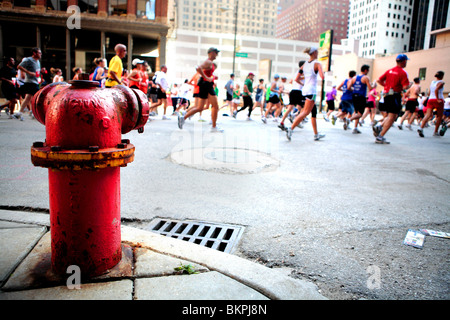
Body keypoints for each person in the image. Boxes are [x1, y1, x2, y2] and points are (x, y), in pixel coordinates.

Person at [178, 47, 222, 132]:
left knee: (200, 107)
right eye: (216, 53)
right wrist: (206, 77)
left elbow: (204, 71)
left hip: (204, 85)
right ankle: (213, 127)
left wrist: (210, 77)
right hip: (206, 85)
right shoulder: (208, 62)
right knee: (215, 106)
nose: (217, 55)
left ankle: (183, 117)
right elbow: (198, 68)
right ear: (211, 53)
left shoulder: (210, 63)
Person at [286, 47, 325, 141]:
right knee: (305, 112)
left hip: (305, 90)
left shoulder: (304, 65)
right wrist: (321, 69)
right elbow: (322, 76)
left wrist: (304, 84)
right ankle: (291, 129)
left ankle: (316, 134)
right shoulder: (317, 64)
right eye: (317, 52)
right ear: (314, 53)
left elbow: (296, 78)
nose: (318, 53)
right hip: (311, 91)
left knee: (311, 112)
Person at [373, 54, 410, 144]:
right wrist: (408, 86)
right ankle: (380, 136)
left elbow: (378, 80)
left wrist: (386, 86)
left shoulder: (389, 71)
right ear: (403, 61)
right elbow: (405, 86)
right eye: (406, 61)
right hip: (395, 95)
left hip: (386, 95)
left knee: (391, 115)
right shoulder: (403, 73)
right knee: (392, 116)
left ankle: (379, 125)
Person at [17, 47, 42, 121]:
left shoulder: (38, 61)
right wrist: (28, 72)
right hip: (30, 82)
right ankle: (35, 113)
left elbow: (37, 72)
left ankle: (20, 113)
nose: (41, 54)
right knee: (38, 97)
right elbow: (19, 66)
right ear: (34, 53)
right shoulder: (28, 59)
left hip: (35, 81)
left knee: (28, 98)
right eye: (39, 53)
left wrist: (39, 77)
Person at [348, 64, 374, 134]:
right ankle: (349, 119)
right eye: (368, 70)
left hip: (354, 96)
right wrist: (374, 85)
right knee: (360, 114)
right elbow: (370, 88)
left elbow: (348, 87)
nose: (368, 72)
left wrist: (354, 90)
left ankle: (355, 128)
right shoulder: (365, 78)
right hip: (361, 96)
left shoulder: (354, 78)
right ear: (365, 70)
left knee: (357, 112)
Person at [279, 61, 305, 131]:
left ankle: (282, 122)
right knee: (303, 108)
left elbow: (291, 81)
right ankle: (295, 118)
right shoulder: (302, 72)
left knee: (290, 108)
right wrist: (303, 84)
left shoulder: (296, 72)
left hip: (293, 91)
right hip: (299, 91)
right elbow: (297, 79)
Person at [418, 71, 445, 138]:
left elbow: (430, 92)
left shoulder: (432, 82)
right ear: (442, 76)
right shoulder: (441, 82)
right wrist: (438, 99)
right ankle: (435, 132)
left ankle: (421, 128)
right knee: (439, 116)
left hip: (430, 99)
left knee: (428, 114)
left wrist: (430, 97)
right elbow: (436, 90)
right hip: (438, 99)